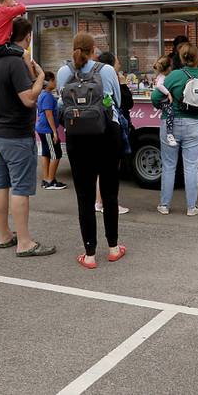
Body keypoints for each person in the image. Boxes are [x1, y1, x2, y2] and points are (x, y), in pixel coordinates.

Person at [0, 18, 56, 257]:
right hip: (15, 134)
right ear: (27, 38)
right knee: (21, 188)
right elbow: (27, 98)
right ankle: (24, 242)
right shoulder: (14, 62)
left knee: (0, 185)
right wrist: (39, 79)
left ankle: (4, 235)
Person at [58, 34, 126, 269]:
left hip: (77, 137)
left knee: (84, 197)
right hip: (107, 135)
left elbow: (61, 105)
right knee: (109, 194)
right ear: (93, 49)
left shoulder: (62, 72)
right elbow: (116, 100)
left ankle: (89, 254)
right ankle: (114, 248)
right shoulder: (106, 70)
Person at [152, 42, 198, 217]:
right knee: (191, 166)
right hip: (194, 125)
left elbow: (155, 97)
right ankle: (191, 207)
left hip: (170, 123)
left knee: (168, 166)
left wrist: (167, 101)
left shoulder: (174, 76)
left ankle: (164, 205)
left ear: (181, 58)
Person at [95, 51, 132, 215]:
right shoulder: (113, 79)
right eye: (117, 62)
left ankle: (99, 202)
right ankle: (110, 204)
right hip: (113, 126)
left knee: (100, 168)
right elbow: (124, 102)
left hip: (98, 125)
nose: (120, 64)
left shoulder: (96, 77)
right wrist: (123, 85)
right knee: (111, 168)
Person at [36, 71, 67, 190]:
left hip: (42, 128)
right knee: (56, 153)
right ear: (48, 82)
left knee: (46, 153)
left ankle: (46, 178)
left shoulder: (42, 94)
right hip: (47, 129)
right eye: (53, 80)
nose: (55, 83)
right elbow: (49, 114)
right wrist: (54, 131)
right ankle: (50, 180)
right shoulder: (48, 96)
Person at [153, 55, 177, 147]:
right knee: (170, 114)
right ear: (169, 68)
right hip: (164, 101)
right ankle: (169, 134)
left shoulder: (160, 75)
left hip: (162, 101)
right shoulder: (163, 77)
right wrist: (168, 93)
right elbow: (159, 86)